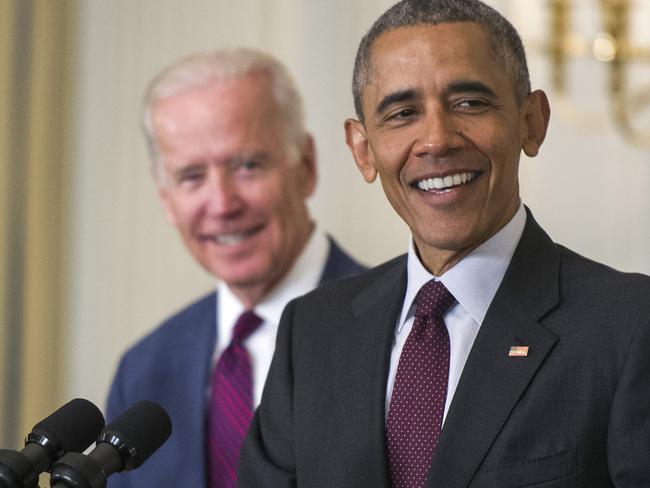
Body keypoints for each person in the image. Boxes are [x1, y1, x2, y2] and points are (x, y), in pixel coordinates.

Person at [238, 1, 650, 487]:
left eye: (469, 103)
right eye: (402, 112)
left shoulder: (629, 326)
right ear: (362, 149)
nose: (436, 139)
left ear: (532, 121)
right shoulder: (311, 333)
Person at [105, 48, 365, 488]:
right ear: (166, 199)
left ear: (305, 167)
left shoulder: (406, 329)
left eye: (247, 166)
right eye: (191, 177)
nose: (222, 205)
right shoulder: (144, 370)